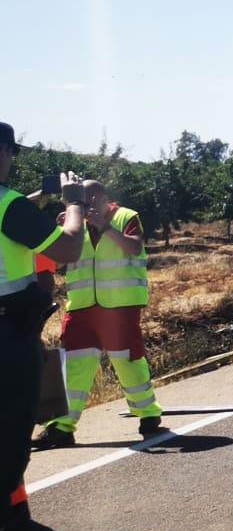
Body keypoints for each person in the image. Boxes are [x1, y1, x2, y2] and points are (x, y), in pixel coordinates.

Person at [0, 123, 87, 531]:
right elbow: (69, 248)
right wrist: (73, 203)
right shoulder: (9, 207)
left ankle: (13, 523)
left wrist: (34, 201)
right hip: (6, 336)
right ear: (6, 152)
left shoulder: (12, 207)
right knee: (10, 437)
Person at [34, 178, 160, 447]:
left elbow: (134, 247)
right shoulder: (74, 224)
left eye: (88, 202)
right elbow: (57, 262)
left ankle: (148, 415)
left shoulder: (126, 216)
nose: (84, 207)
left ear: (104, 200)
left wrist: (104, 227)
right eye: (77, 202)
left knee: (127, 360)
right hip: (81, 306)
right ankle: (61, 426)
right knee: (74, 366)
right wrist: (63, 231)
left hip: (118, 306)